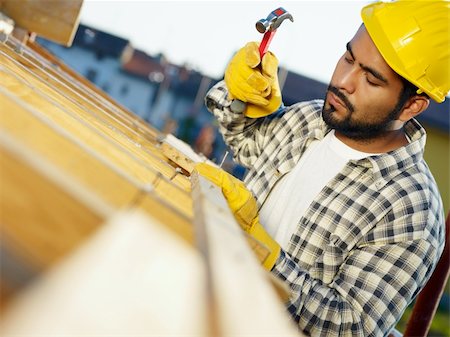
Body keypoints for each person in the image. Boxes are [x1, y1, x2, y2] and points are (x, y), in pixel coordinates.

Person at [194, 1, 449, 336]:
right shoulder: (309, 119)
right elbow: (244, 141)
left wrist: (261, 250)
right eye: (348, 58)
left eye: (371, 79)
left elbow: (350, 326)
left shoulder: (411, 210)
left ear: (412, 105)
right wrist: (244, 95)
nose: (343, 81)